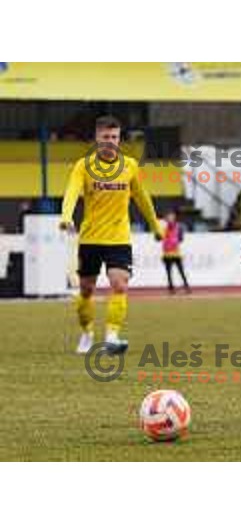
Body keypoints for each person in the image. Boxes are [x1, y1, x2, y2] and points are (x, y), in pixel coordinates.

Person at [60, 115, 163, 354]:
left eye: (114, 137)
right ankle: (86, 334)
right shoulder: (83, 166)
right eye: (105, 137)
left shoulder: (130, 166)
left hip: (119, 237)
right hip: (91, 238)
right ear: (97, 138)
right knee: (86, 290)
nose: (110, 141)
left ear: (119, 139)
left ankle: (112, 337)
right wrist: (66, 217)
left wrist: (156, 227)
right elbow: (72, 192)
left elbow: (142, 198)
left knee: (120, 284)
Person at [162, 210, 191, 294]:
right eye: (169, 217)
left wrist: (175, 240)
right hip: (166, 254)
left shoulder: (178, 227)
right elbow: (157, 237)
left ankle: (186, 286)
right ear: (166, 218)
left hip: (176, 253)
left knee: (181, 271)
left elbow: (181, 238)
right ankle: (171, 288)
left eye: (172, 216)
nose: (170, 218)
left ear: (174, 217)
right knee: (169, 273)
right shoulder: (163, 227)